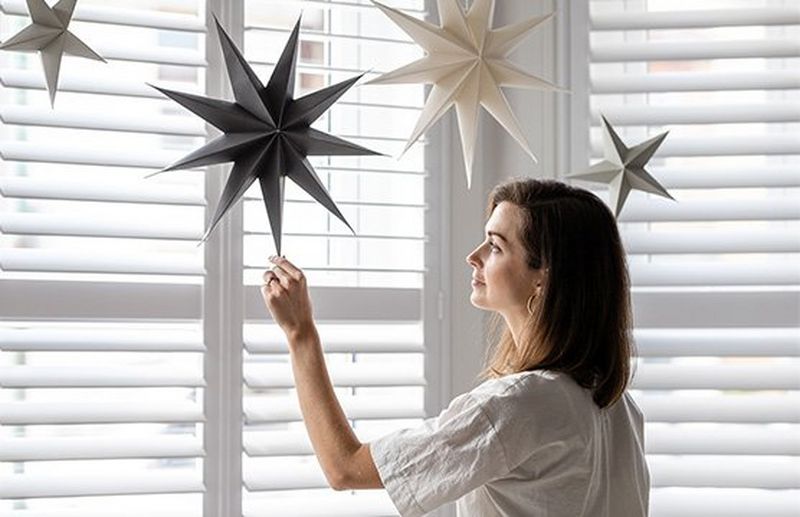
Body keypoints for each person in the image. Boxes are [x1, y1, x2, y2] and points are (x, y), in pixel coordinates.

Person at [261, 177, 650, 516]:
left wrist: (301, 335)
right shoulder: (616, 405)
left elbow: (344, 467)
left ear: (542, 276)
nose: (474, 257)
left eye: (495, 247)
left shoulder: (517, 406)